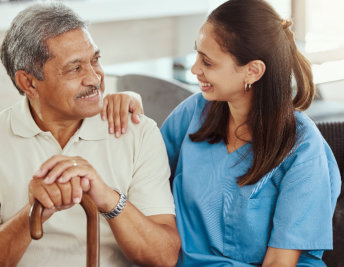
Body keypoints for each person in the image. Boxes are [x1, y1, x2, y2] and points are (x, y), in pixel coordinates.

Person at [103, 0, 341, 266]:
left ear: (253, 71)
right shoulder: (194, 112)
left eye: (207, 61)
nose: (194, 69)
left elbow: (279, 262)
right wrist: (132, 104)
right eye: (197, 55)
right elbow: (142, 171)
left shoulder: (303, 147)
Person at [0, 3, 180, 267]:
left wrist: (107, 198)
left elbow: (164, 256)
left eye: (95, 60)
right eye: (75, 68)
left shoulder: (138, 132)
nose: (95, 78)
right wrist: (35, 213)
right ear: (28, 83)